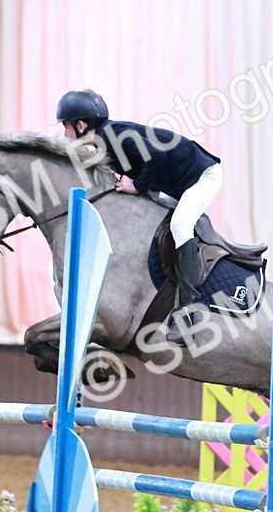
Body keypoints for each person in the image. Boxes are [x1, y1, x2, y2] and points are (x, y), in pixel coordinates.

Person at [56, 89, 222, 345]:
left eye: (66, 127)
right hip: (180, 183)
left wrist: (138, 186)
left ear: (80, 125)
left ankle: (187, 311)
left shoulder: (111, 136)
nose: (64, 134)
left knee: (180, 224)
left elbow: (157, 154)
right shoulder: (104, 141)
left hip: (202, 176)